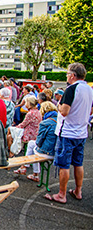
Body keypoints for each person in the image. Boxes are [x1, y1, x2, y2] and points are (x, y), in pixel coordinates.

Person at [44, 63, 93, 204]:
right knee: (78, 163)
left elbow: (64, 111)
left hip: (67, 132)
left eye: (67, 74)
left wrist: (59, 105)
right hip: (82, 132)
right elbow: (90, 111)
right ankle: (78, 190)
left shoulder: (71, 89)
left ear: (72, 75)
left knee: (64, 164)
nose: (66, 76)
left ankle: (62, 194)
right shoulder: (89, 89)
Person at [13, 101, 57, 180]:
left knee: (33, 147)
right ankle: (31, 171)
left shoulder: (45, 123)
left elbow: (39, 142)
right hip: (57, 150)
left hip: (48, 151)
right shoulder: (59, 120)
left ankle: (25, 167)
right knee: (32, 146)